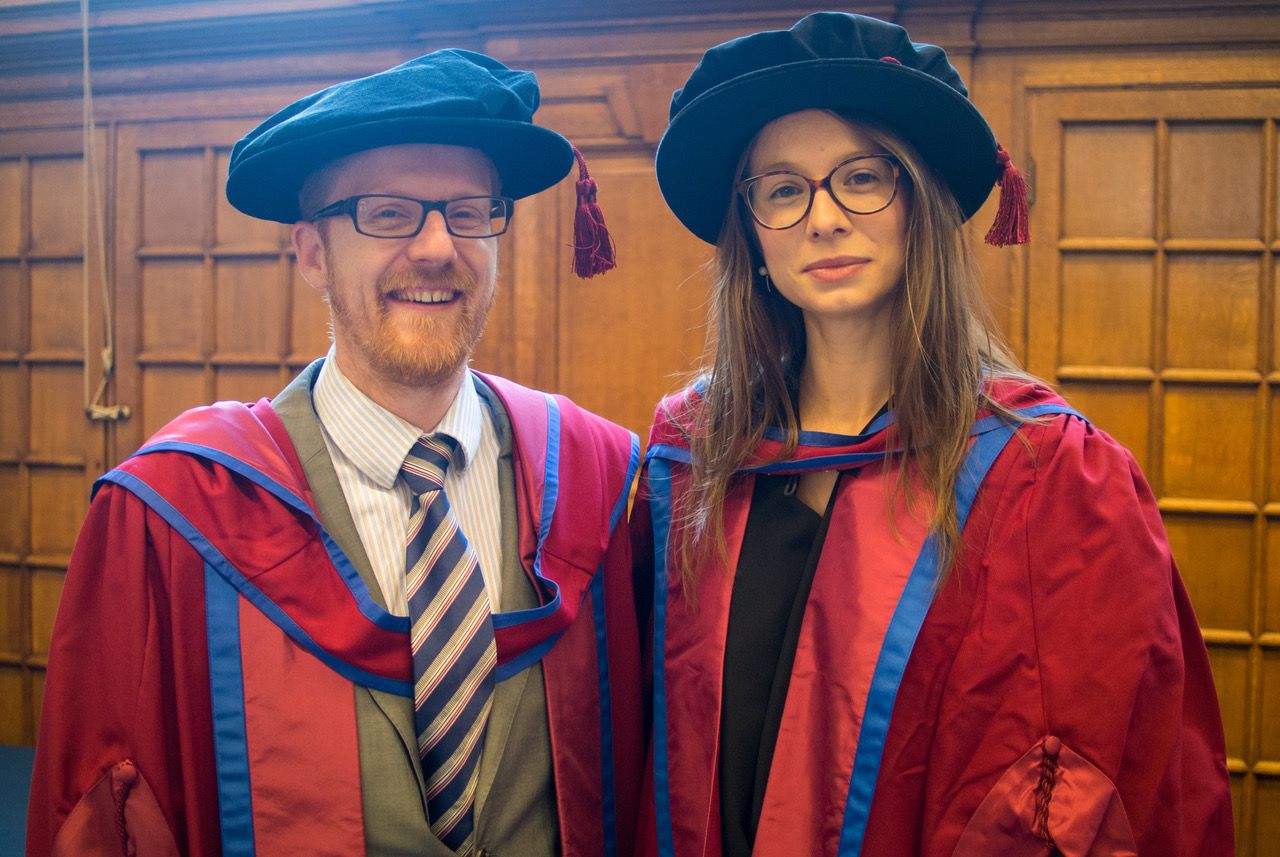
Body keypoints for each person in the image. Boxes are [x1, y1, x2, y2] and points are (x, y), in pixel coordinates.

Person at [631, 12, 1233, 856]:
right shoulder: (689, 463)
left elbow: (1101, 777)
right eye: (782, 188)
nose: (825, 217)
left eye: (863, 176)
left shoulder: (1049, 476)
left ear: (920, 201)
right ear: (754, 235)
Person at [28, 50, 641, 857]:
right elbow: (107, 814)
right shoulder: (175, 511)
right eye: (388, 213)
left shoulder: (600, 480)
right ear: (312, 254)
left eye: (466, 211)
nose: (435, 248)